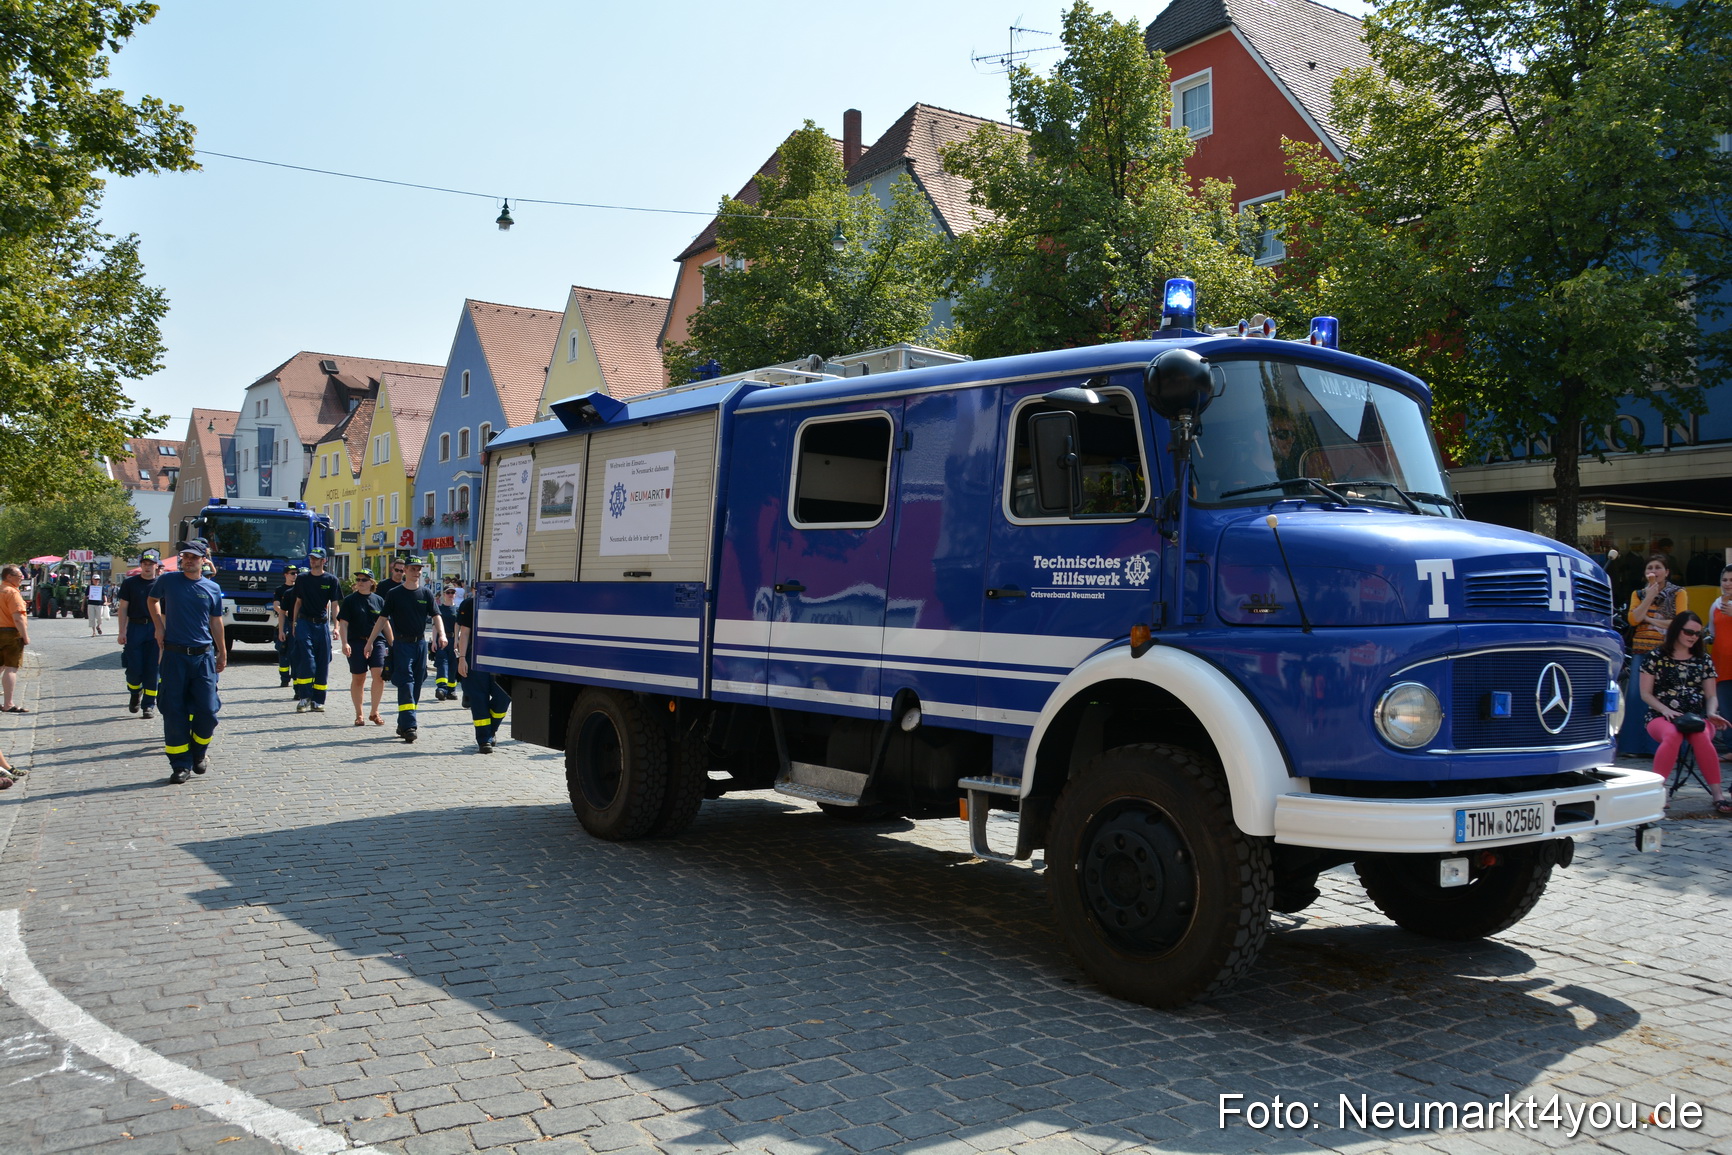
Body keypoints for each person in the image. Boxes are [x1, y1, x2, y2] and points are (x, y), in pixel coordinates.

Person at [148, 540, 225, 785]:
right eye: (185, 557)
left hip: (203, 657)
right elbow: (152, 601)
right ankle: (180, 764)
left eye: (193, 557)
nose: (188, 560)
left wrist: (222, 652)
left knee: (208, 710)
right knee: (173, 711)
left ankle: (199, 751)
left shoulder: (212, 588)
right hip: (174, 656)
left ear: (204, 560)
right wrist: (159, 628)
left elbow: (216, 622)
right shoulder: (168, 581)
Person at [1640, 611, 1732, 815]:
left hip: (1696, 717)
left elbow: (1711, 695)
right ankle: (1658, 791)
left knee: (1700, 735)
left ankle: (1717, 794)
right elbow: (1645, 694)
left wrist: (1711, 713)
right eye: (1689, 631)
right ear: (1676, 630)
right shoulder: (1655, 656)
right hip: (1660, 716)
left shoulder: (1703, 660)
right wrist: (1665, 710)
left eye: (1698, 634)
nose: (1693, 637)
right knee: (1672, 734)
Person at [365, 555, 445, 743]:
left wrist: (441, 634)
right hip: (401, 645)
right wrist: (370, 641)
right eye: (412, 569)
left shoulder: (426, 594)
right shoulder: (394, 593)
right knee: (407, 683)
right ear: (405, 571)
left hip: (420, 645)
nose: (416, 572)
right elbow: (382, 619)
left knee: (417, 684)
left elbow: (436, 616)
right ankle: (410, 725)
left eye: (418, 569)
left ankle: (403, 723)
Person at [1619, 554, 1684, 757]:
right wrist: (1649, 596)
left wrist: (1648, 618)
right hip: (1641, 650)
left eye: (1658, 567)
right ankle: (1633, 747)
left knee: (1663, 697)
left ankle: (1661, 747)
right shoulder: (1638, 594)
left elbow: (1678, 622)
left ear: (1667, 572)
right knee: (1637, 697)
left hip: (1666, 652)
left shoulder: (1678, 593)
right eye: (1650, 568)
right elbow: (1633, 620)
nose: (1653, 571)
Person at [455, 589, 508, 753]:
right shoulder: (469, 604)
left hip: (501, 657)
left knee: (504, 696)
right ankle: (484, 739)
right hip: (476, 657)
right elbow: (464, 633)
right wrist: (462, 658)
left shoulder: (505, 602)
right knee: (479, 699)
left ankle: (491, 730)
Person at [289, 550, 342, 713]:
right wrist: (294, 623)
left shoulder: (331, 580)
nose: (313, 561)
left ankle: (318, 700)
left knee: (322, 661)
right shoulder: (303, 579)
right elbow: (298, 602)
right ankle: (304, 697)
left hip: (322, 625)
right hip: (305, 622)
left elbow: (334, 605)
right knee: (307, 660)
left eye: (316, 559)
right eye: (311, 558)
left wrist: (336, 627)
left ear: (324, 561)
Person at [115, 550, 163, 718]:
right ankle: (135, 693)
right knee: (134, 669)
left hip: (155, 628)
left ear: (157, 565)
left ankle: (149, 704)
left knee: (153, 669)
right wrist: (122, 631)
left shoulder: (162, 584)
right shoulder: (130, 583)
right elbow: (123, 608)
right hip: (135, 628)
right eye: (144, 564)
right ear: (140, 565)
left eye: (151, 564)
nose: (147, 567)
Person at [337, 569, 387, 727]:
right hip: (356, 641)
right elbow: (343, 623)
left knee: (379, 676)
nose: (360, 582)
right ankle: (359, 714)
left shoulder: (379, 600)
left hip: (377, 642)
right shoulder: (350, 600)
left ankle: (374, 712)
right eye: (358, 579)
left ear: (371, 582)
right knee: (359, 678)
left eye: (364, 579)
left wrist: (393, 644)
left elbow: (385, 623)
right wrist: (344, 642)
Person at [0, 565, 30, 715]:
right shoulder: (12, 593)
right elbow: (18, 618)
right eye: (19, 575)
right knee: (11, 668)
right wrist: (25, 636)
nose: (22, 577)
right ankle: (8, 703)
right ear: (9, 577)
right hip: (10, 633)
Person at [1711, 564, 1732, 763]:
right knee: (1726, 710)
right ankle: (1731, 748)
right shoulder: (1716, 605)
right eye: (1725, 580)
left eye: (1731, 580)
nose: (1728, 584)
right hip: (1722, 664)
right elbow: (1713, 633)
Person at [273, 564, 300, 689]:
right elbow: (276, 605)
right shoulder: (281, 589)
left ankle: (296, 679)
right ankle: (284, 678)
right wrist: (284, 611)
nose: (295, 575)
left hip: (298, 623)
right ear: (285, 575)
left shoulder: (301, 589)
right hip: (286, 622)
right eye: (292, 573)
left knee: (296, 652)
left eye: (296, 573)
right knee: (283, 650)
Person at [433, 586, 459, 700]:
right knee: (442, 664)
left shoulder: (458, 610)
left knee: (453, 666)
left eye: (452, 592)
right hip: (441, 640)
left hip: (454, 640)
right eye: (448, 592)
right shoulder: (439, 609)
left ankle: (451, 691)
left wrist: (458, 641)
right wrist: (433, 641)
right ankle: (441, 689)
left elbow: (461, 628)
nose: (450, 594)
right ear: (444, 594)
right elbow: (435, 626)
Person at [85, 571, 106, 636]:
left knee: (100, 617)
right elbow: (85, 596)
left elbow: (104, 595)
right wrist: (83, 605)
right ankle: (93, 632)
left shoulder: (101, 587)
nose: (97, 581)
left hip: (99, 604)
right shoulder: (89, 587)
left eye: (98, 580)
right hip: (91, 603)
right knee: (91, 618)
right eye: (95, 579)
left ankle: (98, 626)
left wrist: (105, 601)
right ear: (92, 580)